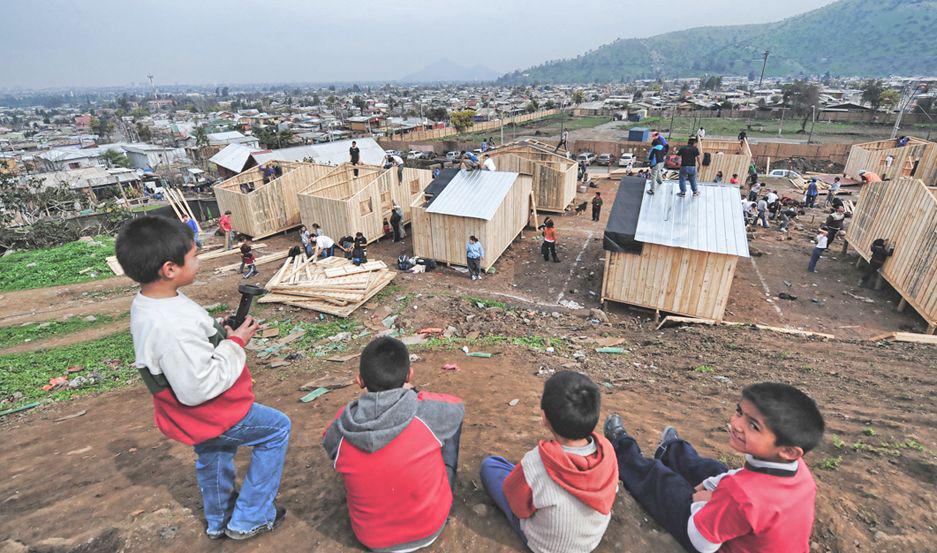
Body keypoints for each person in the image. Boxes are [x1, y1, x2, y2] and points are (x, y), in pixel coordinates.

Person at [115, 216, 290, 541]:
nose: (199, 260)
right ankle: (251, 516)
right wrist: (236, 343)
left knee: (213, 453)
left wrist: (217, 329)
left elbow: (190, 338)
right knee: (277, 429)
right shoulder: (170, 328)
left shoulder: (154, 303)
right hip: (214, 410)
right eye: (194, 256)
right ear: (169, 268)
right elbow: (198, 386)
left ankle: (219, 518)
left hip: (190, 418)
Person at [604, 382, 824, 553]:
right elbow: (742, 478)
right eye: (739, 412)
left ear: (789, 451)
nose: (736, 424)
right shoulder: (797, 470)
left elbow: (701, 542)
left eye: (753, 426)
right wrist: (713, 485)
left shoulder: (742, 494)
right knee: (716, 470)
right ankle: (672, 451)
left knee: (668, 487)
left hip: (712, 542)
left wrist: (702, 503)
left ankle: (623, 452)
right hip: (752, 523)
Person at [322, 337, 464, 552]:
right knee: (445, 429)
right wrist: (414, 393)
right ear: (409, 375)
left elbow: (328, 442)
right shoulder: (426, 412)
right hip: (429, 529)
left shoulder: (342, 425)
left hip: (371, 539)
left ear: (359, 380)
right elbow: (457, 406)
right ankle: (446, 484)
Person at [480, 371, 618, 553]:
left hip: (546, 546)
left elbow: (519, 508)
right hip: (589, 542)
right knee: (529, 480)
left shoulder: (537, 461)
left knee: (490, 465)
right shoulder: (607, 451)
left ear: (544, 418)